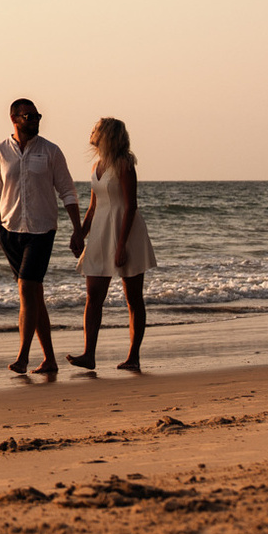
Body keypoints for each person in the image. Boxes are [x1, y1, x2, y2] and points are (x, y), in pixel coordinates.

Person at [0, 98, 85, 376]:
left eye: (37, 115)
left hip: (42, 230)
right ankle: (49, 359)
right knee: (34, 296)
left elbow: (67, 191)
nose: (35, 120)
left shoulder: (51, 151)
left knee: (27, 289)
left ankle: (23, 356)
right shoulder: (0, 151)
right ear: (14, 119)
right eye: (28, 116)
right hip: (10, 231)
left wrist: (78, 230)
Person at [68, 117, 155, 370]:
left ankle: (133, 356)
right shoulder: (97, 165)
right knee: (93, 295)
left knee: (133, 298)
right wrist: (79, 234)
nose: (91, 131)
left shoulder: (124, 164)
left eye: (95, 128)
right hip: (100, 232)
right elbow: (93, 206)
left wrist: (121, 246)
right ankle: (89, 354)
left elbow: (131, 206)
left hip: (126, 233)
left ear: (106, 134)